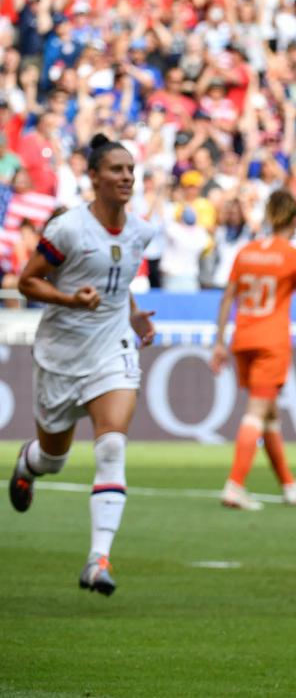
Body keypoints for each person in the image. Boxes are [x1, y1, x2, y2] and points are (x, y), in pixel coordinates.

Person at [7, 134, 157, 596]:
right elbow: (27, 282)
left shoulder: (141, 231)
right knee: (55, 458)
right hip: (61, 354)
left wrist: (130, 314)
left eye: (131, 169)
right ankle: (27, 466)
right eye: (116, 169)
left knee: (111, 448)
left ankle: (98, 560)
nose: (126, 177)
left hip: (112, 348)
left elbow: (119, 276)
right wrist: (70, 299)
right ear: (93, 177)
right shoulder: (68, 229)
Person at [209, 190, 296, 511]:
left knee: (270, 415)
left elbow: (227, 299)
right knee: (256, 413)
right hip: (270, 343)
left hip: (243, 340)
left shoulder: (246, 251)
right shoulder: (292, 257)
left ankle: (289, 486)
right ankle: (234, 485)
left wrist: (220, 341)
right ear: (294, 220)